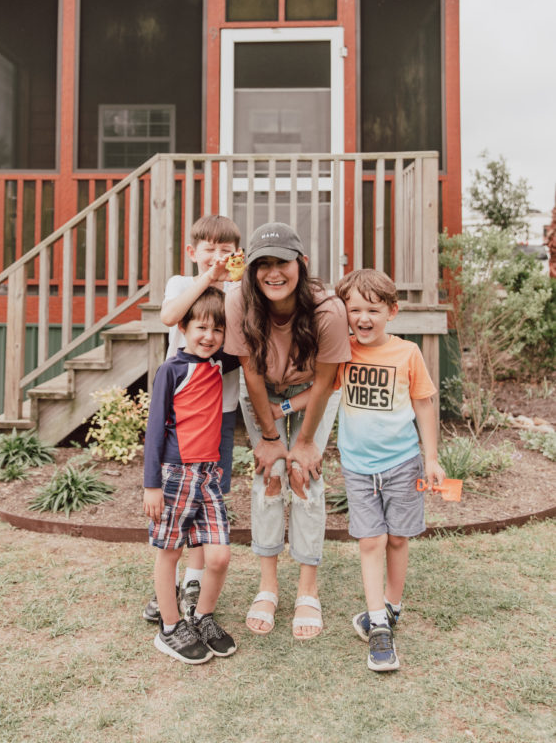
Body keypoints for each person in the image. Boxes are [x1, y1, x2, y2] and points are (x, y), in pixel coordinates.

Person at [224, 222, 351, 639]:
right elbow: (252, 373)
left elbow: (326, 380)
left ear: (302, 263)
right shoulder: (239, 302)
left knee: (304, 476)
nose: (272, 272)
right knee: (269, 476)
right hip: (264, 391)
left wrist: (305, 441)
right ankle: (267, 586)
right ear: (252, 270)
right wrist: (272, 438)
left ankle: (307, 590)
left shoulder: (328, 310)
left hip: (314, 391)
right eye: (263, 264)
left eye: (282, 262)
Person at [333, 268, 446, 672]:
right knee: (370, 541)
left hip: (402, 463)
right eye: (354, 309)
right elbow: (316, 385)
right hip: (358, 467)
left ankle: (392, 607)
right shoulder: (341, 351)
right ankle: (378, 623)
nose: (363, 318)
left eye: (373, 310)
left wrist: (431, 458)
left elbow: (423, 405)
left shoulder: (407, 353)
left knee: (398, 539)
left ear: (392, 312)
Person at [142, 214, 241, 624]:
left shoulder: (238, 292)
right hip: (181, 410)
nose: (216, 258)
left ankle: (193, 582)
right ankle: (171, 587)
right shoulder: (183, 284)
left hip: (220, 413)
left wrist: (235, 285)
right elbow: (169, 317)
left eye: (225, 251)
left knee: (207, 501)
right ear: (193, 253)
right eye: (209, 250)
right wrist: (209, 279)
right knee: (177, 507)